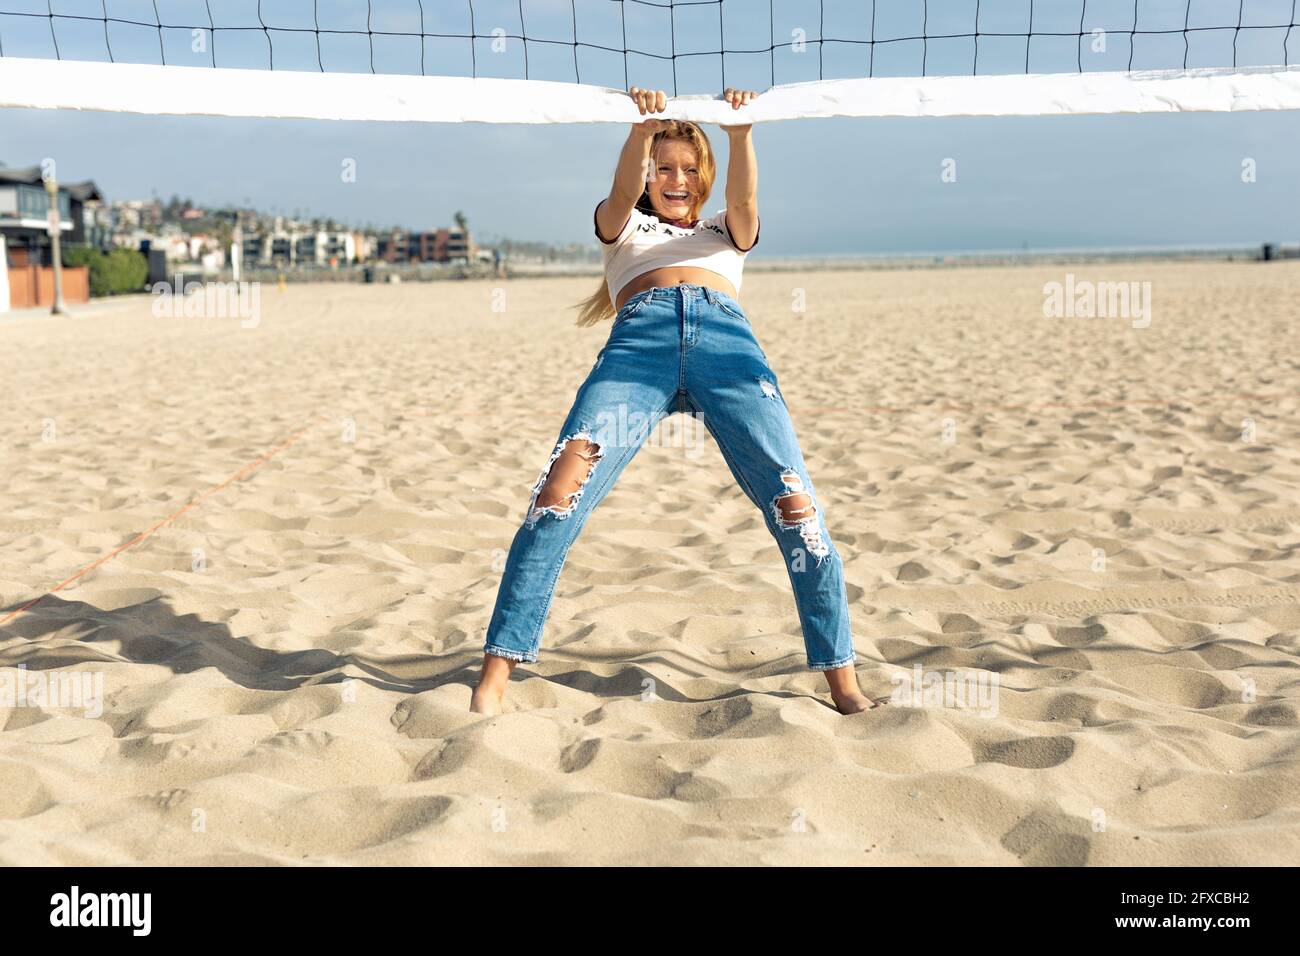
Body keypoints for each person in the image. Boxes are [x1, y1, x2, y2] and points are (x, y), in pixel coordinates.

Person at [471, 86, 884, 716]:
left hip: (728, 348)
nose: (678, 179)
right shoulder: (622, 226)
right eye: (664, 168)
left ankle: (843, 680)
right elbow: (619, 191)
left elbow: (745, 199)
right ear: (647, 175)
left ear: (705, 178)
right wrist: (640, 129)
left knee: (796, 504)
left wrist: (740, 130)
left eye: (690, 169)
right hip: (640, 346)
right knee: (556, 495)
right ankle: (495, 676)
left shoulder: (726, 230)